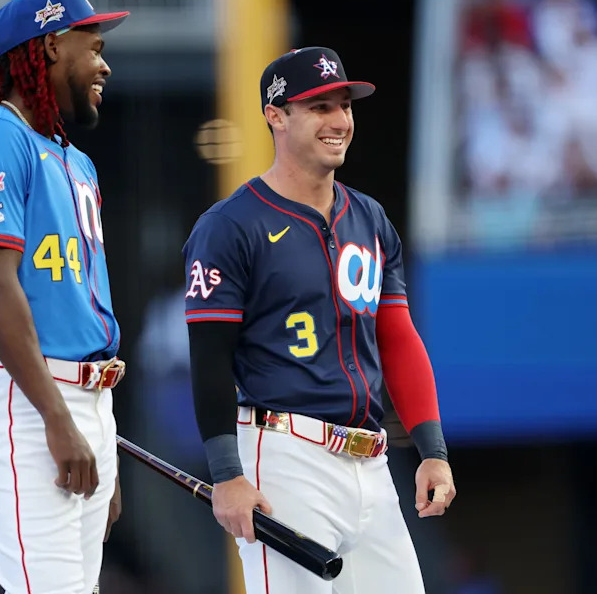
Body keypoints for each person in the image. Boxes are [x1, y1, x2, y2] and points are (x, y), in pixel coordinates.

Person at [182, 46, 457, 593]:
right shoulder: (230, 226)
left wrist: (433, 451)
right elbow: (209, 358)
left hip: (371, 461)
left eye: (344, 106)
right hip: (285, 455)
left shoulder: (369, 217)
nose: (339, 121)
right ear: (276, 115)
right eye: (319, 107)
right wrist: (227, 474)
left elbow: (396, 337)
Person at [0, 0, 130, 594]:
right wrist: (56, 416)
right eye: (92, 46)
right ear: (48, 47)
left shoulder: (74, 158)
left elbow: (74, 305)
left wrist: (97, 428)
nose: (104, 64)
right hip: (27, 400)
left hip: (84, 399)